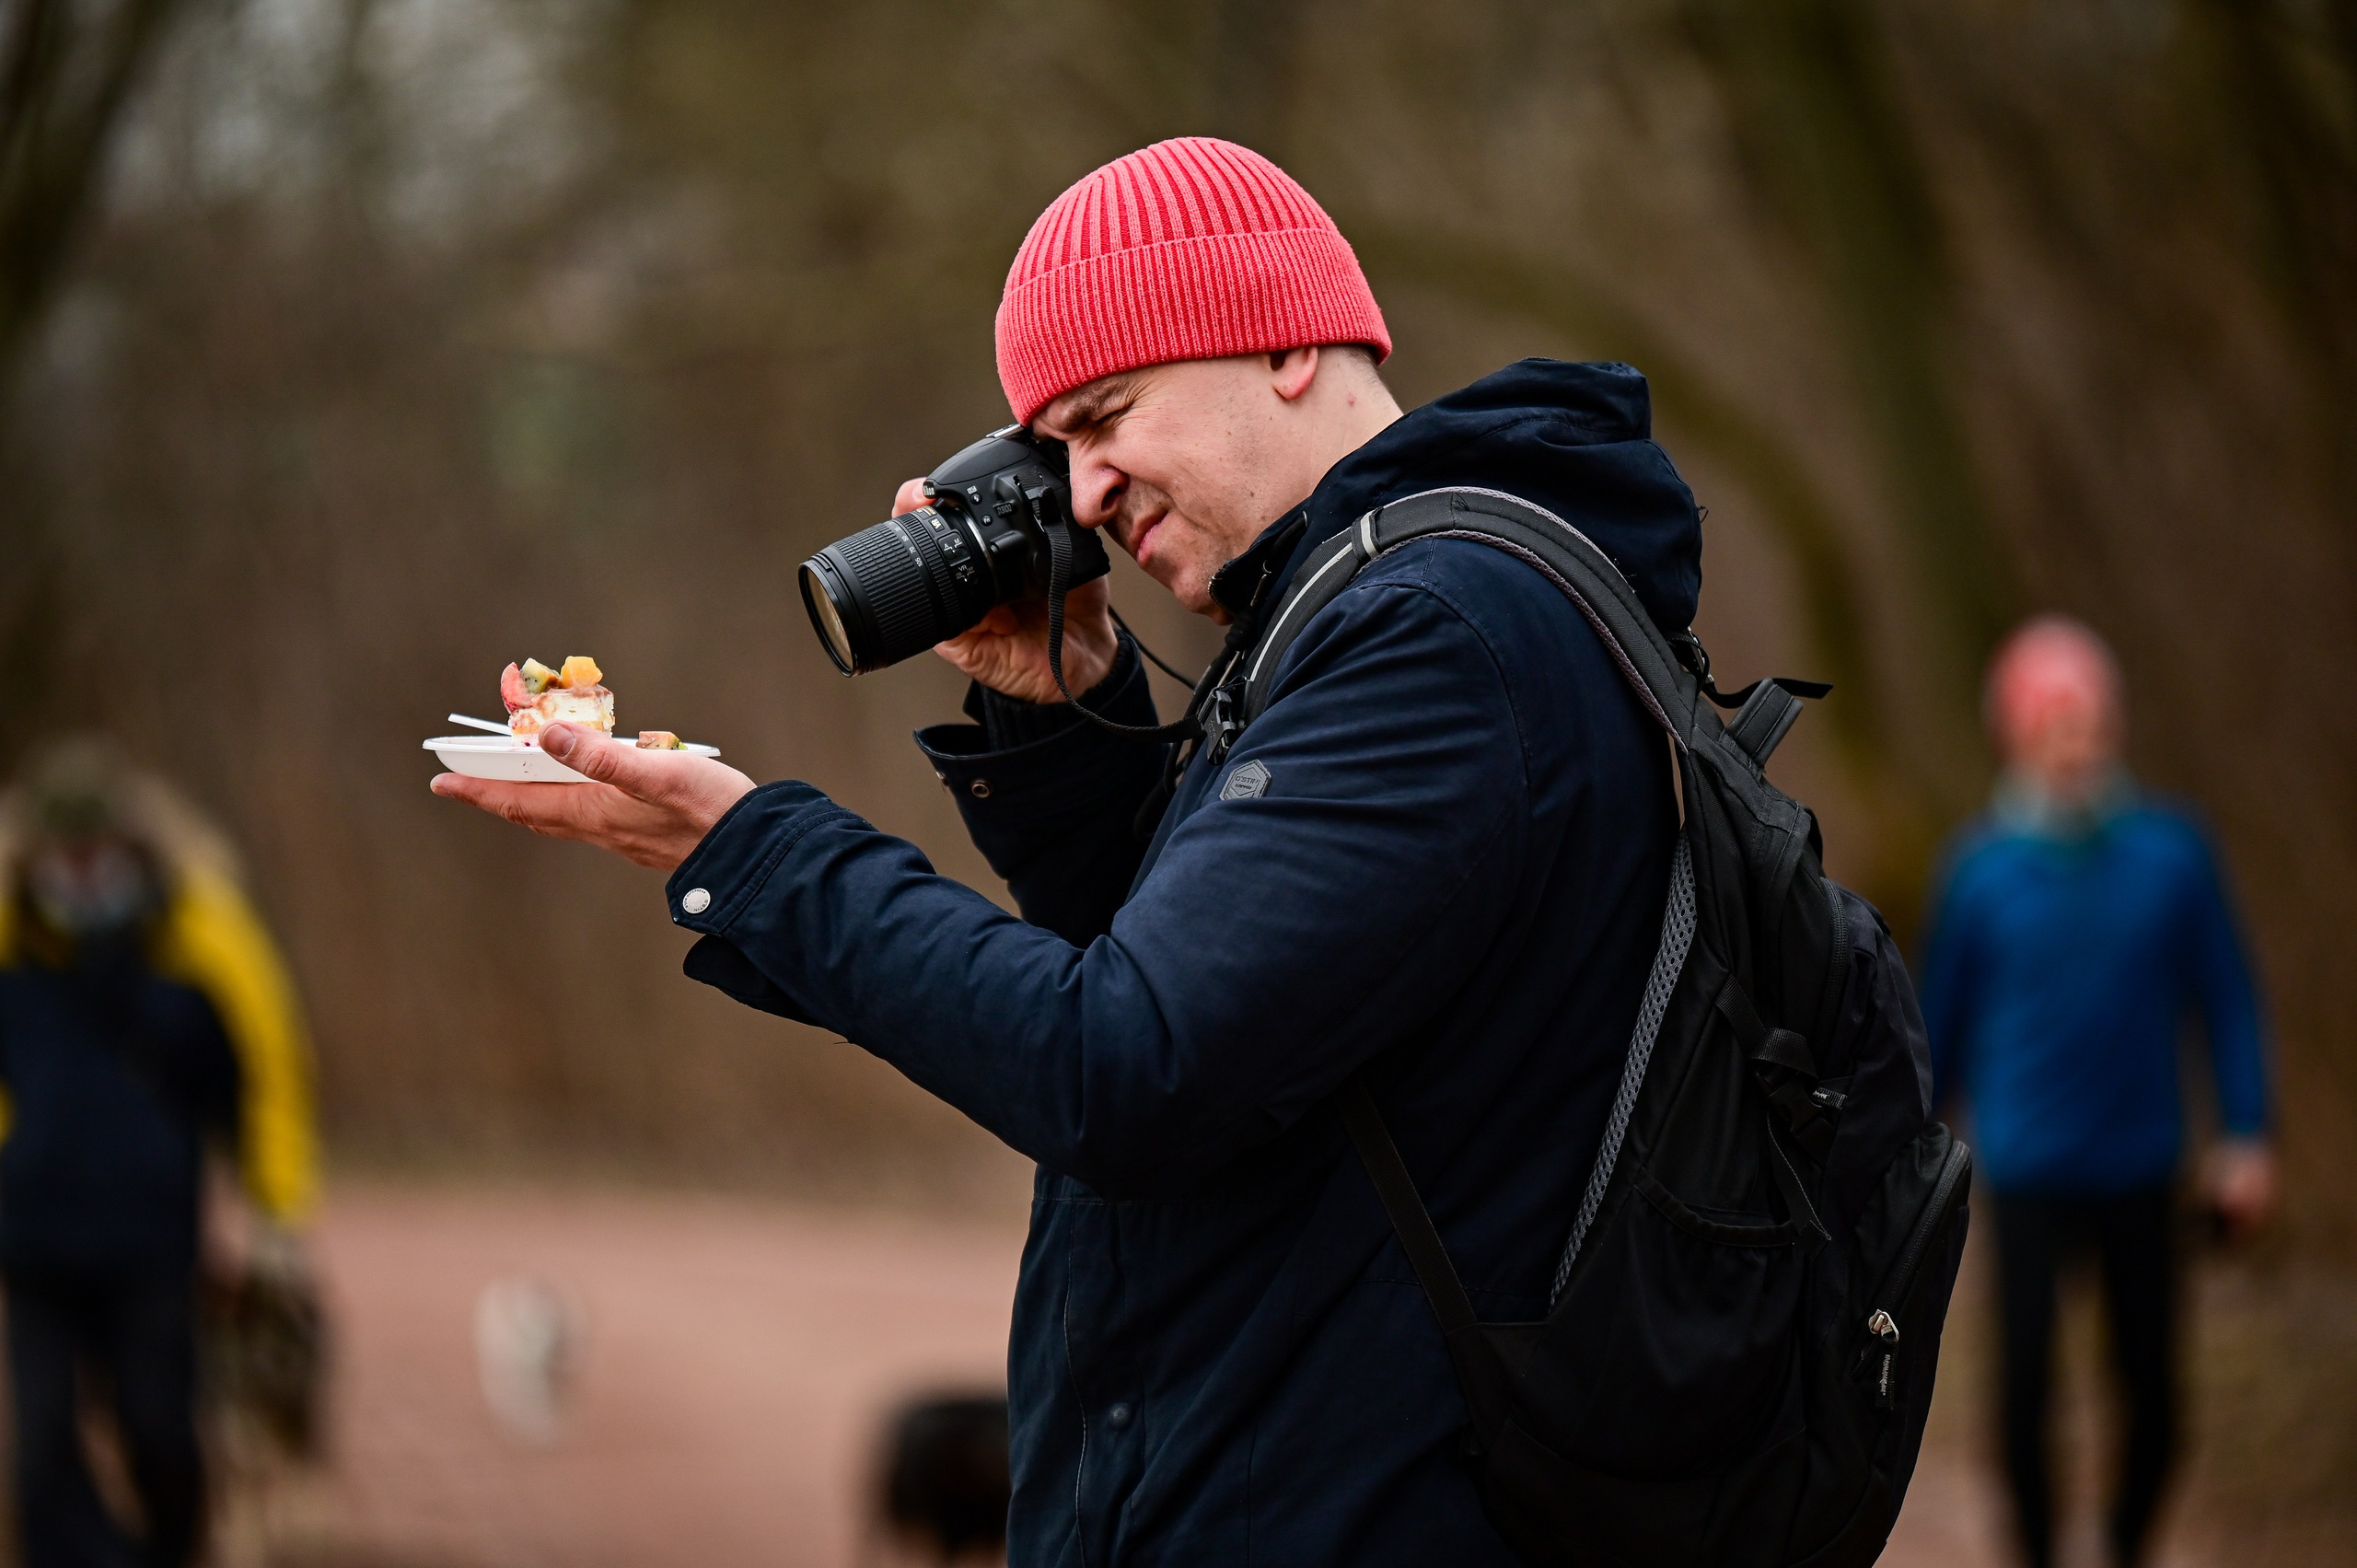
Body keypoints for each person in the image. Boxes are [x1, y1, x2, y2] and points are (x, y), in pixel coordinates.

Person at [435, 137, 1701, 1562]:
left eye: (1105, 419)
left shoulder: (1440, 634)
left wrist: (752, 845)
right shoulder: (1344, 621)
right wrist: (1074, 708)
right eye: (1057, 449)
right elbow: (1227, 1018)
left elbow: (1124, 1064)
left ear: (1283, 342)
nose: (1084, 494)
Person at [1919, 617, 2275, 1568]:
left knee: (2155, 1397)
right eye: (2054, 722)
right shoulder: (1978, 871)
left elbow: (2229, 1001)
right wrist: (1906, 1154)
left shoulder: (2173, 855)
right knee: (2022, 1392)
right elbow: (1934, 1036)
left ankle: (2120, 1545)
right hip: (2028, 1171)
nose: (2076, 742)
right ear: (2019, 734)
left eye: (2089, 719)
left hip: (2139, 1167)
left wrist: (2246, 1134)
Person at [0, 741, 320, 1568]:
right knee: (41, 1453)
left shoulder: (199, 934)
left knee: (162, 1432)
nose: (78, 868)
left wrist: (275, 1214)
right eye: (62, 852)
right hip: (33, 1239)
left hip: (151, 1240)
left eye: (92, 849)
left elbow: (266, 1072)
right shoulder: (11, 941)